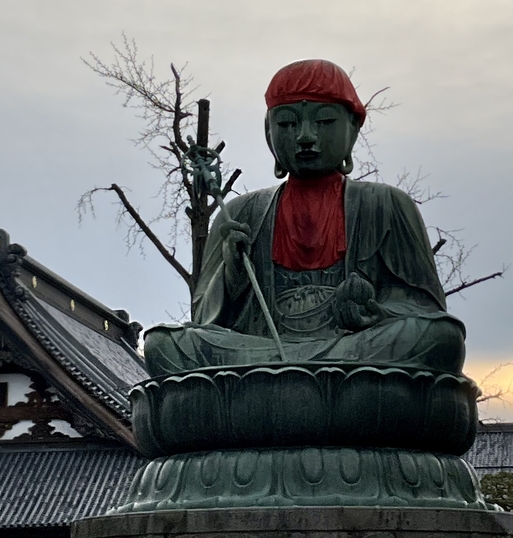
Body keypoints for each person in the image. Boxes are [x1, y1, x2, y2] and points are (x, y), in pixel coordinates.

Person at [144, 59, 465, 376]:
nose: (305, 137)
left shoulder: (386, 205)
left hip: (355, 349)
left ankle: (286, 383)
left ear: (352, 129)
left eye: (324, 121)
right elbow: (204, 320)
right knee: (166, 345)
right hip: (259, 353)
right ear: (269, 134)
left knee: (440, 338)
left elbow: (424, 308)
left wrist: (373, 311)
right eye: (287, 124)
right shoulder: (242, 213)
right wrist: (232, 272)